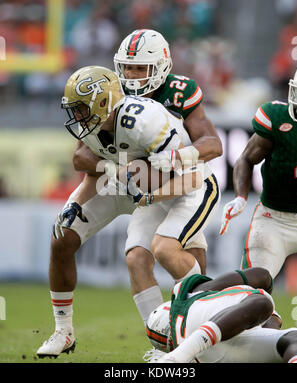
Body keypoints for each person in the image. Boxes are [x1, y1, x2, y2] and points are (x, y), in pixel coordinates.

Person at [36, 65, 219, 358]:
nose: (77, 116)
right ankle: (65, 331)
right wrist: (76, 202)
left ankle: (207, 322)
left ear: (103, 103)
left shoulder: (145, 121)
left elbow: (191, 176)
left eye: (82, 107)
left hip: (179, 185)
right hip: (131, 183)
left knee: (169, 253)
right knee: (65, 239)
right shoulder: (96, 123)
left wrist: (148, 195)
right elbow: (84, 161)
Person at [73, 29, 222, 327]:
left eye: (140, 67)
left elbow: (213, 144)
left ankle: (210, 319)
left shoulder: (179, 90)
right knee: (136, 258)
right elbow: (81, 153)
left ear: (161, 65)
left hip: (186, 183)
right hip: (147, 187)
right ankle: (161, 339)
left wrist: (176, 157)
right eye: (127, 67)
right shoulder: (113, 93)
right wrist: (118, 168)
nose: (132, 75)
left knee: (181, 256)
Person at [219, 66, 297, 284]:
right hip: (274, 218)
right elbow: (246, 158)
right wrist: (240, 197)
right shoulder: (278, 118)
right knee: (254, 289)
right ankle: (200, 292)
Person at [144, 267, 297, 363]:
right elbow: (261, 275)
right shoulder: (186, 295)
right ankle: (177, 356)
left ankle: (178, 355)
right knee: (262, 302)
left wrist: (270, 318)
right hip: (193, 330)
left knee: (294, 339)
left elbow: (269, 326)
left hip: (208, 354)